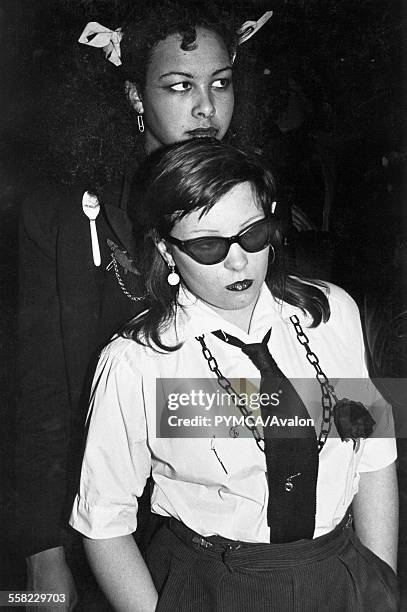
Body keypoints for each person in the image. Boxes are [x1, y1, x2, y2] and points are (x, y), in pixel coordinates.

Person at [15, 2, 274, 608]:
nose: (207, 107)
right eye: (180, 86)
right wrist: (42, 555)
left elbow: (308, 371)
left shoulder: (254, 207)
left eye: (221, 84)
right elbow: (39, 392)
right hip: (94, 522)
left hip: (234, 534)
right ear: (135, 97)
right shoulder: (64, 216)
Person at [70, 139, 399, 611]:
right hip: (214, 586)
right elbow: (104, 523)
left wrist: (381, 582)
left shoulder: (329, 314)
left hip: (339, 578)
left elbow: (373, 454)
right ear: (166, 250)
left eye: (253, 232)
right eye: (208, 245)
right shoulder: (139, 363)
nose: (239, 261)